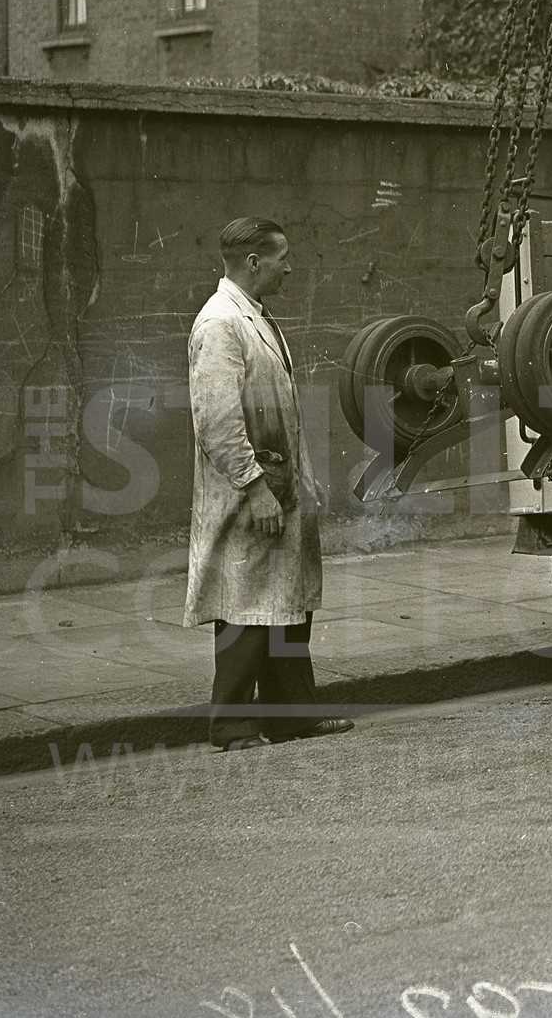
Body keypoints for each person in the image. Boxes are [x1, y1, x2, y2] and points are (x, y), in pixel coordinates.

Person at [185, 216, 353, 751]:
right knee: (244, 607)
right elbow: (216, 418)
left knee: (284, 606)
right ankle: (231, 726)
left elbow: (280, 408)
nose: (291, 267)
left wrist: (301, 478)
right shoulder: (220, 325)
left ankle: (290, 717)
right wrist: (254, 487)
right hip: (249, 493)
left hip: (279, 487)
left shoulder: (253, 317)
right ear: (254, 262)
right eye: (283, 258)